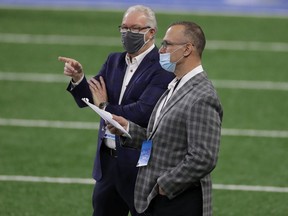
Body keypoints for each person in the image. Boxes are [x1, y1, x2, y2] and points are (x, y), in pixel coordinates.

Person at [58, 5, 174, 216]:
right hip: (109, 164)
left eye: (135, 29)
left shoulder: (163, 67)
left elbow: (142, 112)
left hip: (142, 164)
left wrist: (105, 107)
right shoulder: (114, 60)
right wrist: (79, 78)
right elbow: (88, 99)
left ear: (152, 32)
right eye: (124, 28)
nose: (128, 34)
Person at [107, 21, 223, 216]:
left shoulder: (202, 96)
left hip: (178, 201)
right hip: (156, 198)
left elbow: (204, 157)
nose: (161, 50)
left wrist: (163, 186)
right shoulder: (175, 85)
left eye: (167, 44)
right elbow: (160, 138)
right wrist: (128, 129)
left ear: (187, 49)